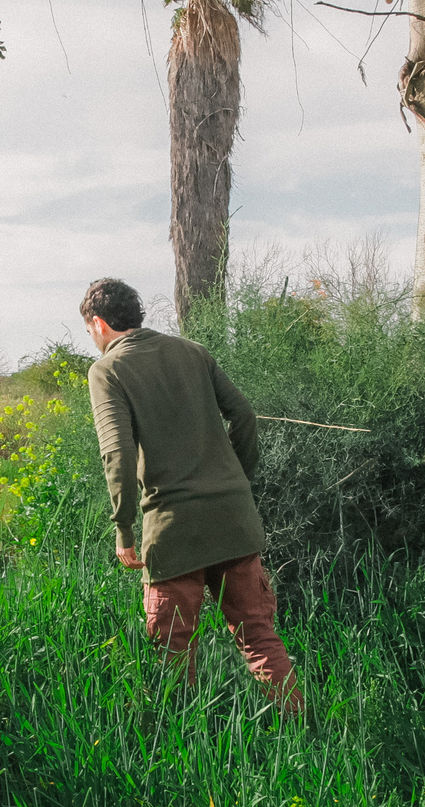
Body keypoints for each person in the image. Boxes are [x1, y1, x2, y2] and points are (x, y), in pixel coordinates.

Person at [81, 277, 301, 715]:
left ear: (100, 324)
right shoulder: (193, 351)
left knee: (173, 649)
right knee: (258, 636)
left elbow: (117, 452)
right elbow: (243, 415)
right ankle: (307, 727)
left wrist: (123, 527)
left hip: (173, 529)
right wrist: (239, 480)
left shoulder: (107, 370)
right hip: (235, 519)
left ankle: (183, 748)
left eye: (90, 331)